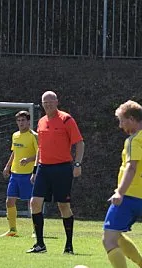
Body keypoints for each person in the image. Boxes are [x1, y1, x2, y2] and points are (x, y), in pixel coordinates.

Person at [102, 100, 142, 268]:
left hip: (129, 195)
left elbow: (131, 167)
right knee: (116, 237)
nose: (121, 126)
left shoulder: (134, 140)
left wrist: (120, 192)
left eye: (122, 121)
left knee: (108, 239)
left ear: (132, 119)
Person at [26, 91, 85, 254]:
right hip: (44, 169)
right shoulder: (41, 122)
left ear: (57, 102)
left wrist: (77, 164)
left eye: (51, 102)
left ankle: (69, 245)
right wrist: (35, 170)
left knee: (63, 205)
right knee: (34, 203)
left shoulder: (66, 119)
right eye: (45, 103)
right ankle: (40, 244)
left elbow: (79, 143)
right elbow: (40, 148)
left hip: (62, 168)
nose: (48, 105)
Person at [0, 110, 39, 237]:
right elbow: (14, 152)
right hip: (15, 174)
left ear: (28, 121)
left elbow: (40, 154)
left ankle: (35, 230)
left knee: (31, 203)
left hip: (28, 174)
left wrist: (28, 160)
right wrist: (7, 166)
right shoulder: (15, 135)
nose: (21, 123)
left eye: (23, 120)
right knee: (9, 201)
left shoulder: (34, 135)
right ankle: (12, 230)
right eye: (19, 120)